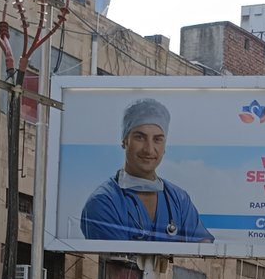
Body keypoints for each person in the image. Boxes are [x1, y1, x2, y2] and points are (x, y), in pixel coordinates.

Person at [79, 98, 213, 243]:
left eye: (157, 139)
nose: (149, 149)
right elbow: (117, 262)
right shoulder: (103, 202)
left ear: (165, 146)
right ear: (125, 141)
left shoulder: (179, 200)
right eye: (140, 137)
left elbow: (203, 246)